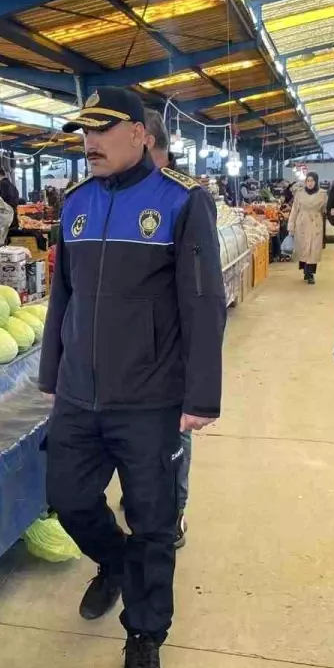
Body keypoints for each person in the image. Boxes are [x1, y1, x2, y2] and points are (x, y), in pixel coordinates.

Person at [40, 87, 226, 668]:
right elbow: (61, 298)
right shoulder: (75, 204)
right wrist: (52, 374)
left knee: (153, 524)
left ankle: (144, 637)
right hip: (78, 395)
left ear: (141, 134)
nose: (88, 143)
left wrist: (201, 395)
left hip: (151, 399)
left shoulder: (179, 202)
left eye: (102, 130)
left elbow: (203, 306)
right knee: (67, 498)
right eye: (83, 132)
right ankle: (112, 562)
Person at [143, 107, 194, 548]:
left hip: (170, 350)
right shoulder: (109, 195)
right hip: (130, 357)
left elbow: (201, 297)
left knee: (173, 434)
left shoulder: (184, 198)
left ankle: (174, 511)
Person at [289, 172, 327, 284]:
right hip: (302, 222)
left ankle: (310, 273)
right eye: (308, 181)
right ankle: (305, 271)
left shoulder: (322, 194)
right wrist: (291, 224)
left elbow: (325, 208)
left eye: (312, 181)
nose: (310, 183)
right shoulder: (299, 193)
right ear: (306, 182)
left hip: (315, 222)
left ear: (316, 182)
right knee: (303, 247)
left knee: (313, 249)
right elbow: (294, 210)